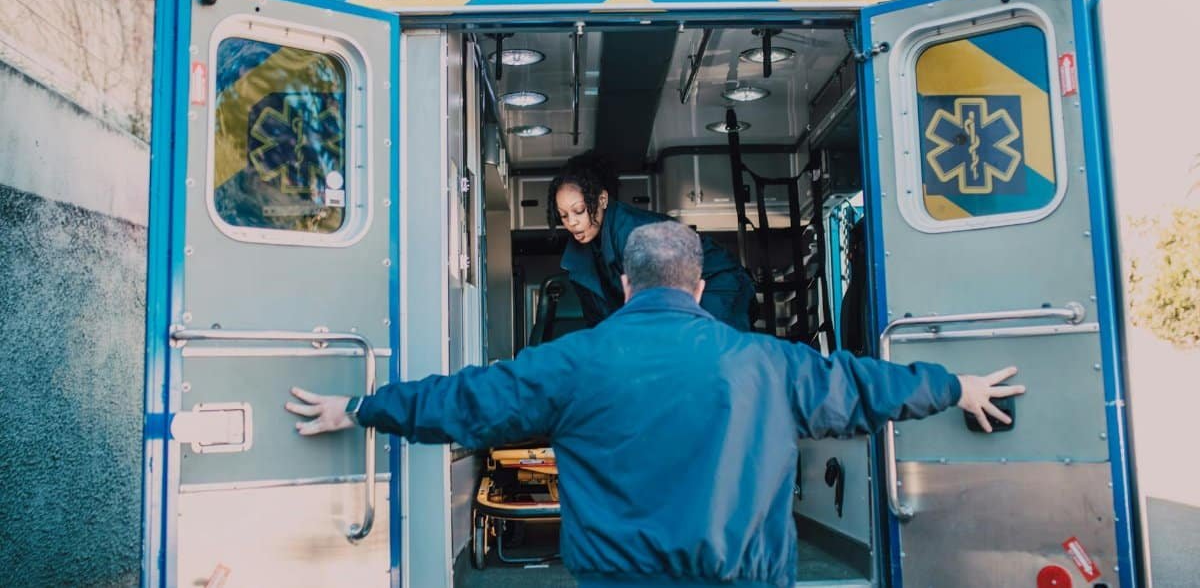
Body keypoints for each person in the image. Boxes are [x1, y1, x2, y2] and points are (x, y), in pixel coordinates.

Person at [287, 221, 1024, 588]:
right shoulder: (769, 362)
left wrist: (360, 405)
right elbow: (867, 385)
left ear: (628, 286)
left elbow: (467, 401)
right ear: (699, 287)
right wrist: (958, 386)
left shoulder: (574, 362)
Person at [549, 152, 756, 330]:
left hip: (717, 282)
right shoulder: (580, 259)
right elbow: (600, 323)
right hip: (676, 299)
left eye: (579, 211)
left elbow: (658, 307)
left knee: (709, 357)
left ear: (602, 199)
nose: (572, 222)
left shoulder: (634, 233)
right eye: (564, 216)